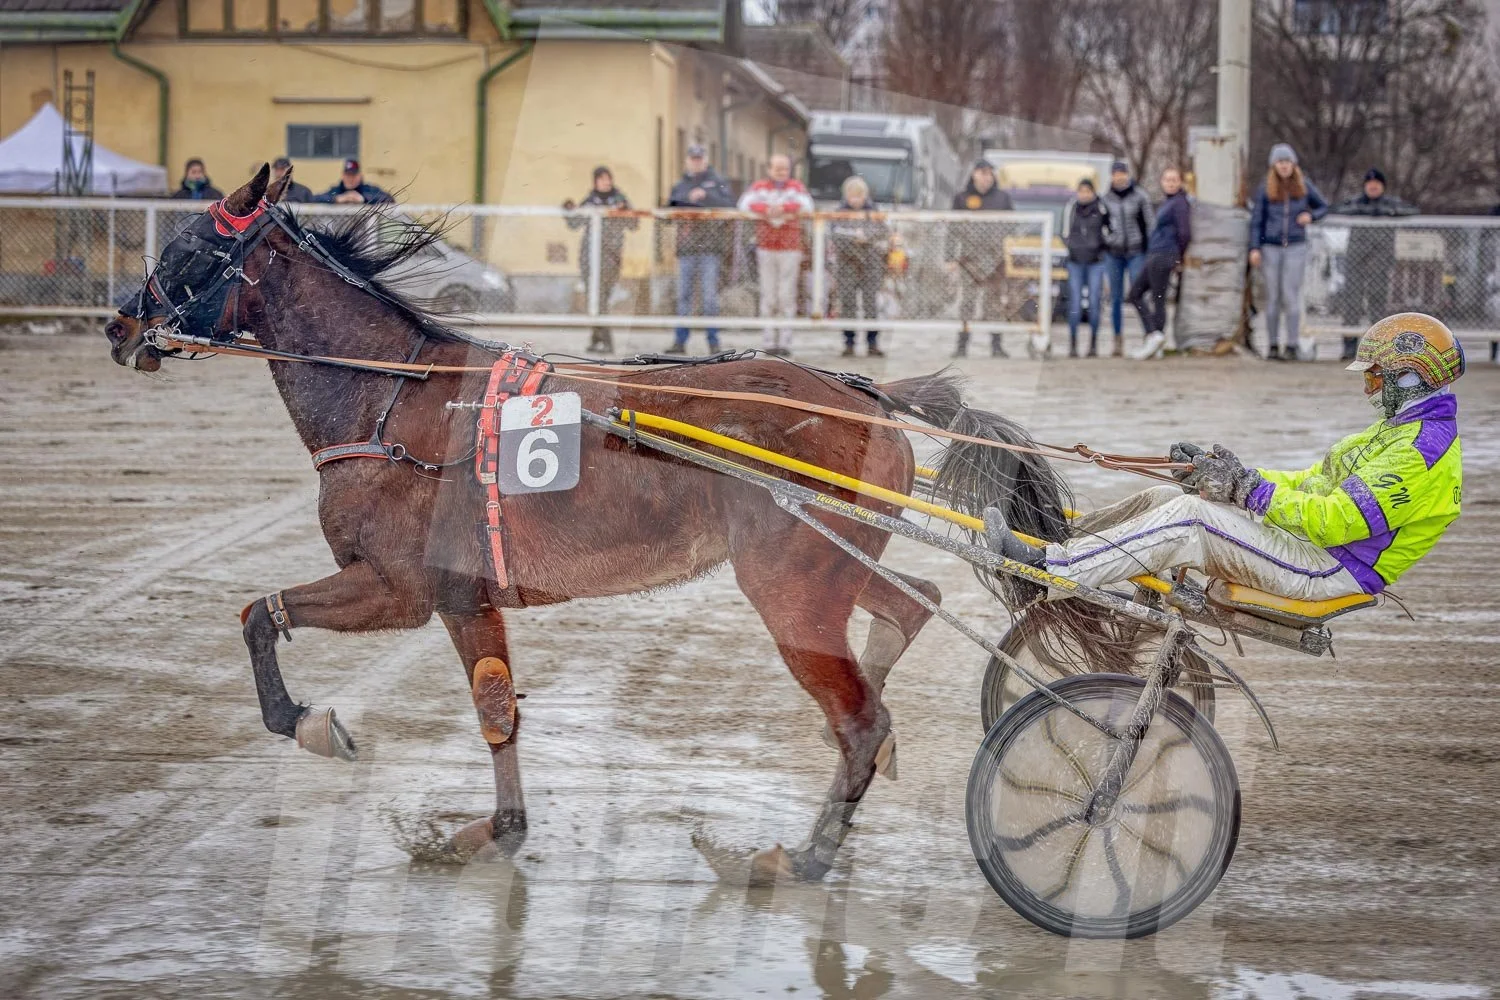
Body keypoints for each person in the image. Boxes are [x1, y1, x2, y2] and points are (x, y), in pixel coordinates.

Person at [984, 312, 1463, 602]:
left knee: (1191, 519)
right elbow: (1314, 483)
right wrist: (1227, 475)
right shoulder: (1400, 432)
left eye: (1375, 376)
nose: (1367, 385)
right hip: (1313, 548)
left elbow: (1334, 522)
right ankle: (1062, 542)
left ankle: (1051, 569)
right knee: (1165, 495)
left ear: (1410, 378)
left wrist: (1246, 490)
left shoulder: (1419, 454)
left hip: (1330, 569)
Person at [1249, 143, 1329, 361]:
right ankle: (1273, 344)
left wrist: (1310, 217)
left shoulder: (1304, 187)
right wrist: (1254, 247)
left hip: (1295, 245)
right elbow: (1257, 220)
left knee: (1290, 295)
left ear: (1293, 165)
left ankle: (1292, 344)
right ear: (1274, 165)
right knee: (1272, 297)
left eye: (1287, 162)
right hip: (1271, 246)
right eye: (1280, 162)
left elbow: (1323, 206)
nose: (1284, 166)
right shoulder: (1266, 188)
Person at [1333, 168, 1418, 360]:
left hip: (1381, 256)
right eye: (1369, 184)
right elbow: (1337, 209)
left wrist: (1388, 212)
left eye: (1377, 184)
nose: (1373, 187)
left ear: (1382, 186)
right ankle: (1349, 345)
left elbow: (1412, 210)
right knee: (1352, 300)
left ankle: (1377, 346)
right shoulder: (1356, 202)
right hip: (1357, 255)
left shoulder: (1390, 203)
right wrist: (1363, 211)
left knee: (1377, 300)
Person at [738, 154, 813, 357]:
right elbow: (743, 204)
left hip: (790, 248)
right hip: (766, 246)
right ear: (769, 169)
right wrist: (766, 209)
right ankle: (769, 340)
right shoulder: (760, 187)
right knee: (768, 294)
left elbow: (807, 205)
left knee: (786, 295)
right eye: (778, 168)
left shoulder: (796, 187)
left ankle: (786, 341)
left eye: (785, 168)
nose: (781, 172)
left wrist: (785, 208)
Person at [665, 144, 736, 355]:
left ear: (705, 159)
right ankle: (680, 341)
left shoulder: (718, 182)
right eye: (693, 158)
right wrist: (689, 199)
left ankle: (713, 342)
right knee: (684, 295)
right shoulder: (680, 185)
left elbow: (730, 205)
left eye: (699, 158)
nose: (696, 162)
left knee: (709, 297)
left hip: (710, 248)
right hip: (686, 248)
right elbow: (671, 207)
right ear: (688, 160)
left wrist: (705, 196)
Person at [564, 166, 637, 354]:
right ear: (595, 181)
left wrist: (624, 212)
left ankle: (602, 339)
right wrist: (569, 210)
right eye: (602, 179)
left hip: (611, 257)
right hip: (589, 257)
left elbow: (634, 224)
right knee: (594, 298)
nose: (606, 182)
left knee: (602, 298)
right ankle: (601, 340)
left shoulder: (620, 200)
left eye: (608, 179)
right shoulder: (589, 201)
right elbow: (574, 224)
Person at [945, 159, 1014, 358]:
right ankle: (962, 346)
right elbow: (952, 230)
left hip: (996, 259)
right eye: (982, 173)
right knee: (967, 303)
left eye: (989, 174)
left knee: (994, 304)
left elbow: (1013, 226)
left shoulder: (1003, 199)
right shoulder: (961, 198)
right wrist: (949, 257)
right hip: (969, 260)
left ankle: (996, 345)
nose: (986, 178)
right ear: (974, 174)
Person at [1128, 167, 1191, 360]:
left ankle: (1155, 335)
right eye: (1167, 180)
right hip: (1156, 252)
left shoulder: (1180, 203)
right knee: (1140, 294)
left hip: (1165, 253)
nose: (1170, 183)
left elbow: (1184, 232)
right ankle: (1155, 337)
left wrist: (1178, 254)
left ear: (1180, 182)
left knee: (1154, 296)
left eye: (1174, 180)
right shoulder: (1168, 202)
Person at [829, 175, 889, 358]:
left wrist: (866, 236)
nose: (856, 200)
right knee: (848, 304)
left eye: (859, 195)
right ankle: (849, 342)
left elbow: (883, 230)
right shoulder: (839, 213)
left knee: (871, 303)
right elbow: (835, 234)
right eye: (852, 196)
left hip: (870, 263)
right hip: (847, 263)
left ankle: (872, 342)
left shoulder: (875, 212)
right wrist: (854, 237)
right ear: (846, 196)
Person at [1101, 160, 1153, 357]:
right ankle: (1117, 339)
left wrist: (1149, 250)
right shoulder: (1105, 200)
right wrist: (1107, 241)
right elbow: (1102, 225)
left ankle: (1148, 335)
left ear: (1127, 175)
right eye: (1116, 174)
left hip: (1135, 251)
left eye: (1122, 173)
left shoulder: (1140, 197)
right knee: (1115, 297)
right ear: (1112, 176)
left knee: (1138, 293)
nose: (1119, 177)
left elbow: (1149, 225)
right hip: (1113, 253)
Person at [1061, 178, 1112, 357]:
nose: (1084, 195)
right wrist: (1073, 248)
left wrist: (1100, 248)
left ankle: (1093, 344)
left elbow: (1109, 231)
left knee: (1094, 303)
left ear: (1093, 192)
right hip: (1075, 262)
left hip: (1096, 262)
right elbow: (1065, 233)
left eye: (1087, 191)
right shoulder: (1071, 208)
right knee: (1074, 303)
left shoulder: (1101, 208)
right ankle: (1073, 344)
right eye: (1081, 191)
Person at [313, 158, 393, 204]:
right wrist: (336, 199)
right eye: (348, 175)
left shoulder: (369, 190)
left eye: (353, 175)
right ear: (343, 176)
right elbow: (314, 199)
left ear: (360, 176)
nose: (350, 179)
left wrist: (363, 199)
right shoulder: (335, 191)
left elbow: (388, 199)